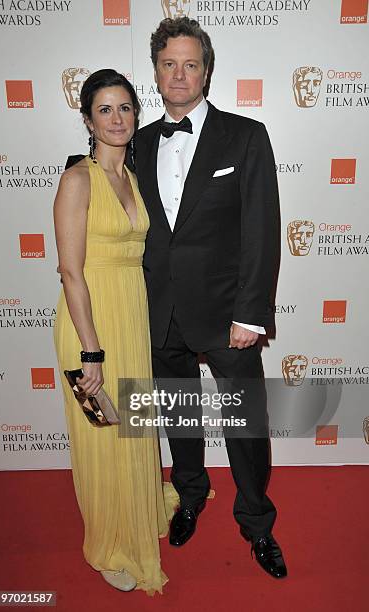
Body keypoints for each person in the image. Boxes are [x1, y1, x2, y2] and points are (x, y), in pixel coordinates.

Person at [135, 17, 287, 579]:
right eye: (168, 63)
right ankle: (191, 495)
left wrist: (252, 313)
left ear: (206, 71)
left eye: (190, 63)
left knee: (247, 426)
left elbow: (261, 231)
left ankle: (257, 523)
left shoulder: (246, 136)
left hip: (229, 315)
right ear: (155, 71)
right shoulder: (140, 141)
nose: (179, 74)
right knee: (180, 418)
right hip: (159, 313)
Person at [54, 69, 177, 595]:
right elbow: (71, 270)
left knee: (136, 428)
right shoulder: (77, 179)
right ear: (87, 119)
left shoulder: (134, 178)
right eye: (104, 109)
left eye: (125, 107)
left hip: (132, 313)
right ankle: (110, 542)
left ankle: (140, 510)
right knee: (102, 438)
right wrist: (92, 352)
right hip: (91, 323)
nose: (117, 118)